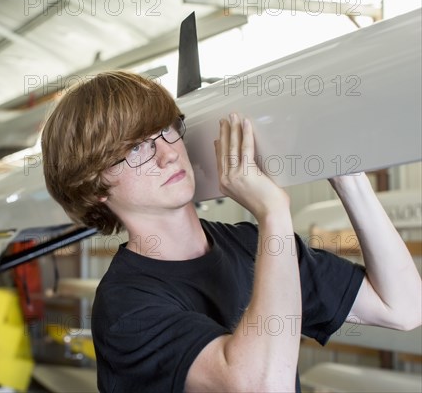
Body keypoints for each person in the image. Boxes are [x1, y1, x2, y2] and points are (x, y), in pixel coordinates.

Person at [41, 71, 422, 392]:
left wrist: (348, 176)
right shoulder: (125, 306)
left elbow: (403, 307)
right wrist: (273, 212)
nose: (168, 153)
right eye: (137, 148)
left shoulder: (251, 246)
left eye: (166, 131)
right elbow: (262, 385)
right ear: (94, 186)